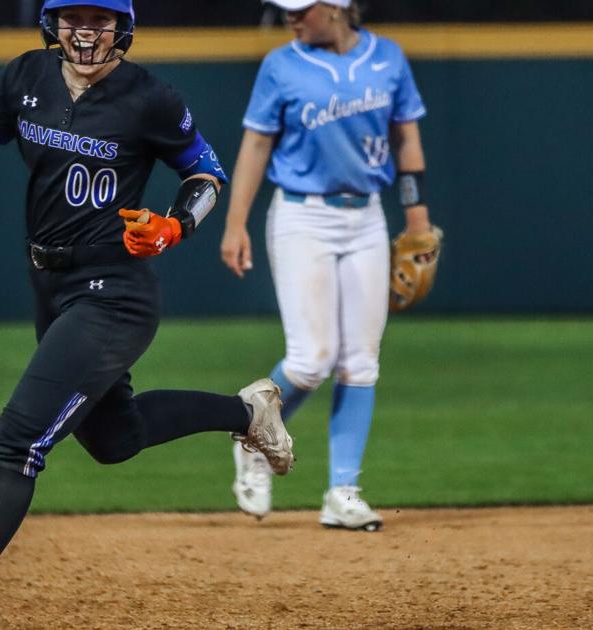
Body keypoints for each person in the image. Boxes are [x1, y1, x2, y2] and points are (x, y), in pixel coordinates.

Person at [0, 1, 294, 628]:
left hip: (115, 291)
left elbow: (206, 173)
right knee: (113, 437)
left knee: (19, 439)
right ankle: (248, 411)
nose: (86, 30)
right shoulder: (25, 77)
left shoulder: (148, 96)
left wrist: (174, 225)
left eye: (99, 18)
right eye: (72, 16)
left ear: (122, 26)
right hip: (51, 282)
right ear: (53, 23)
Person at [219, 0, 436, 531]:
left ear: (336, 7)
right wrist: (235, 222)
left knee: (360, 361)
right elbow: (256, 144)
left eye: (301, 8)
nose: (291, 17)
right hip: (301, 216)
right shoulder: (282, 65)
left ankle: (343, 493)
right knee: (311, 360)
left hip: (366, 218)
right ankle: (253, 440)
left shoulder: (387, 58)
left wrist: (417, 217)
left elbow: (406, 136)